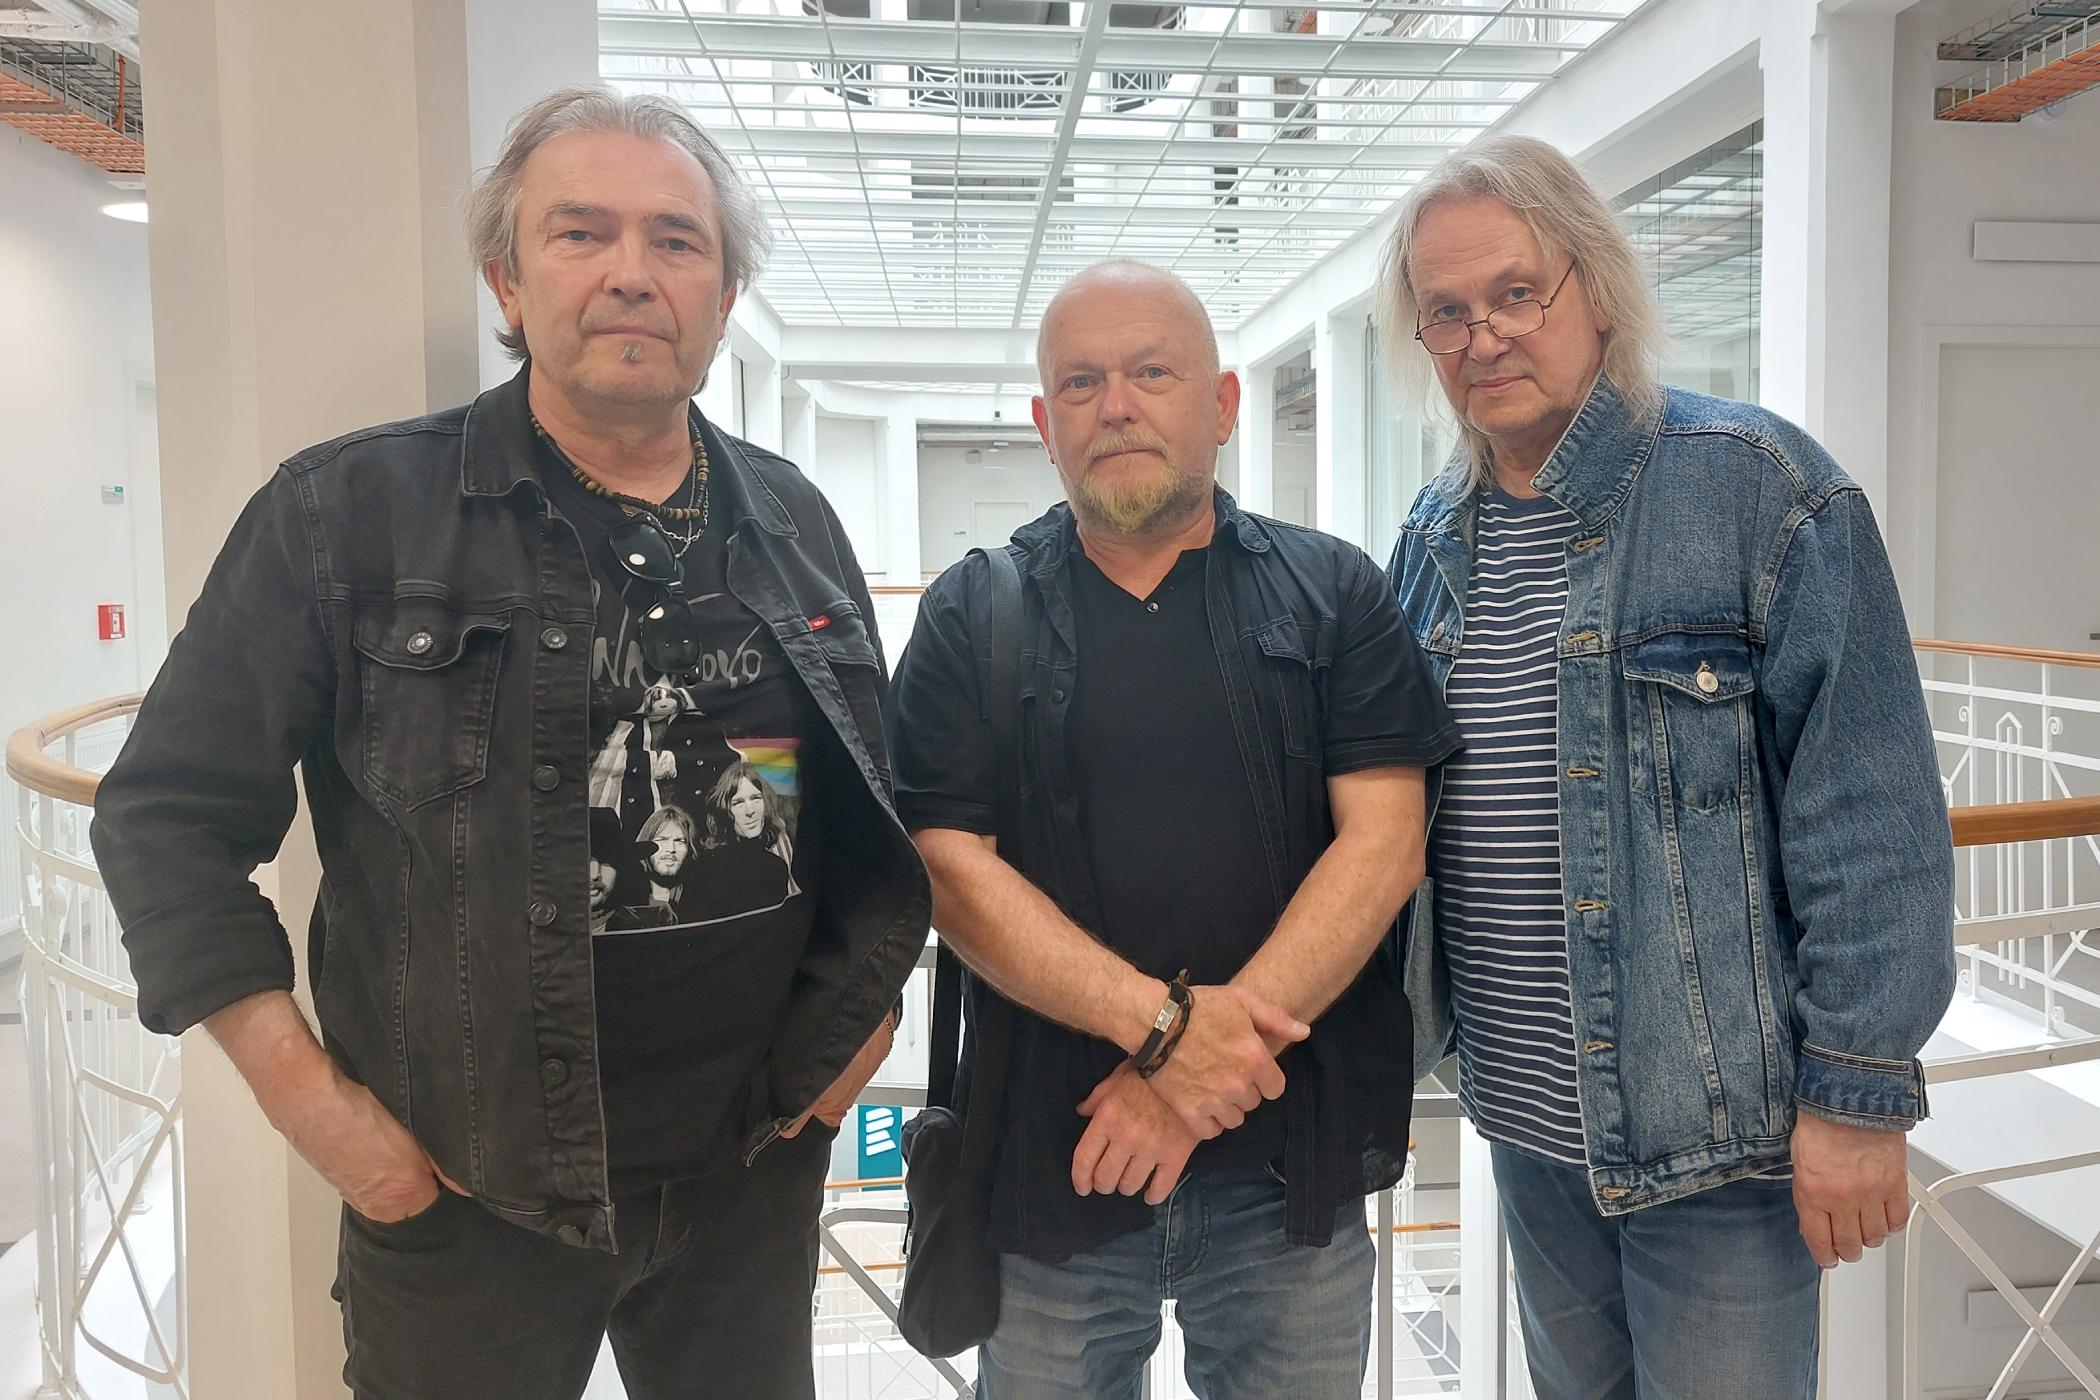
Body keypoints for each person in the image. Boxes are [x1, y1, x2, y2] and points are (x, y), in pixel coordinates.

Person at [89, 84, 928, 1400]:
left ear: (723, 297)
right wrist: (324, 1118)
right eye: (581, 233)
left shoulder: (793, 521)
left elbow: (856, 817)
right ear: (509, 280)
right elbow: (165, 822)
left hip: (747, 1175)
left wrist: (851, 1049)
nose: (632, 273)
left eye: (676, 241)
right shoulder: (346, 515)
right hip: (467, 1199)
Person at [1377, 135, 1956, 1400]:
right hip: (1523, 1124)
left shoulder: (1758, 488)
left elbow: (1871, 813)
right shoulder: (1430, 538)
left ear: (1594, 286)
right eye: (1447, 312)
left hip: (1717, 1142)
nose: (1484, 337)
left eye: (1516, 293)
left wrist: (1858, 1093)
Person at [887, 259, 1461, 1398]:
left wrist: (1182, 1079)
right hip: (1054, 1164)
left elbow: (1386, 843)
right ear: (1046, 424)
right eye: (1083, 383)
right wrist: (1160, 1032)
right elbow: (947, 867)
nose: (1117, 406)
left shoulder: (1334, 594)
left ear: (1224, 403)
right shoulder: (972, 612)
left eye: (1152, 373)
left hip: (1288, 1175)